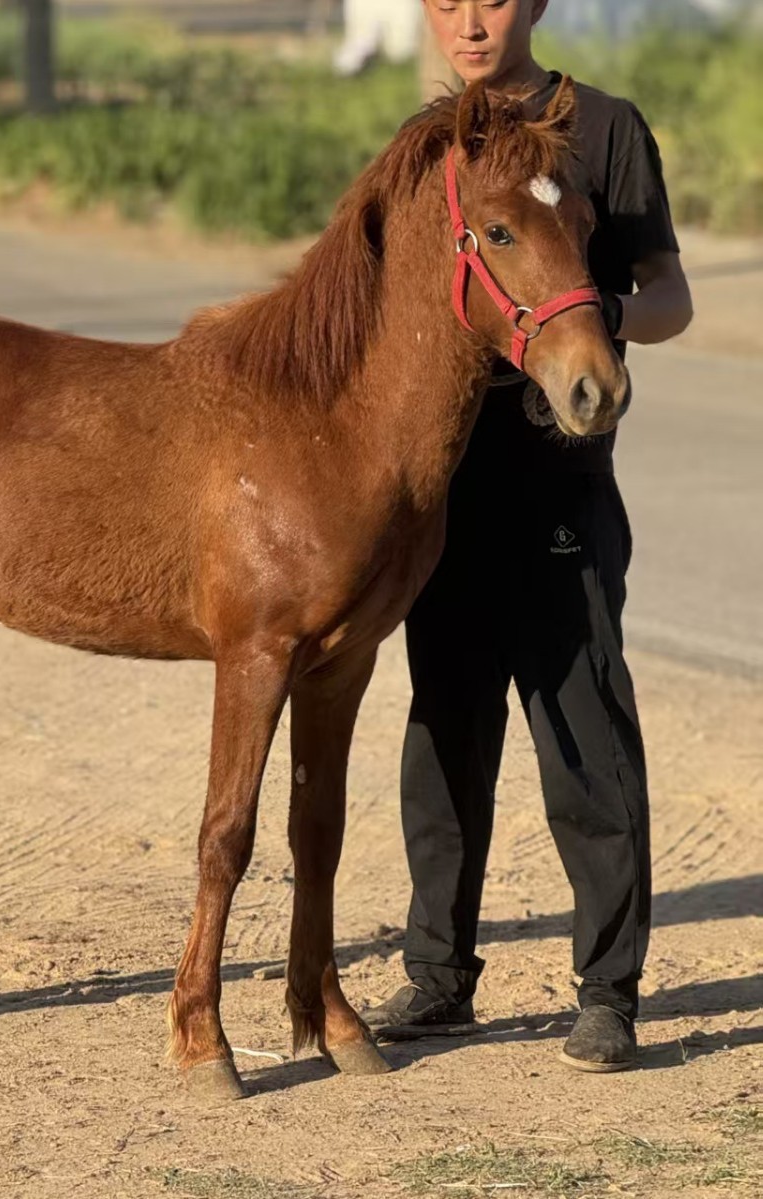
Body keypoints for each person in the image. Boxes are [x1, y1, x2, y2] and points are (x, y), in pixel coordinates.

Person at [361, 0, 694, 1072]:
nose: (466, 20)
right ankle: (436, 978)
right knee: (442, 730)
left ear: (536, 4)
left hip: (558, 477)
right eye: (444, 1)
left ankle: (606, 990)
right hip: (442, 485)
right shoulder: (422, 147)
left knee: (581, 730)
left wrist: (582, 316)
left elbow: (671, 296)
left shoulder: (601, 128)